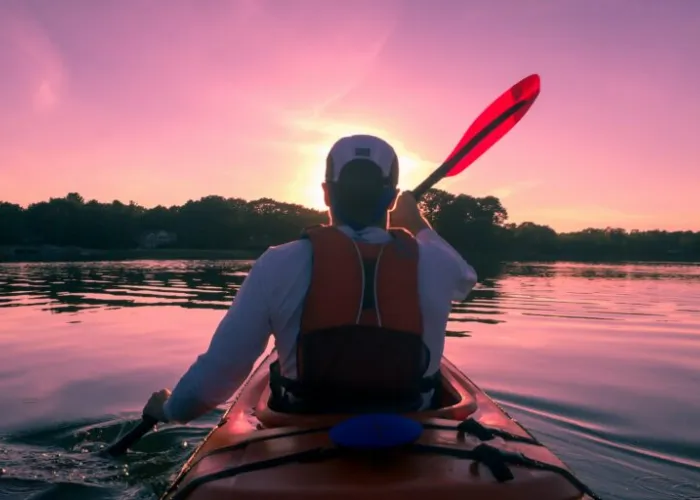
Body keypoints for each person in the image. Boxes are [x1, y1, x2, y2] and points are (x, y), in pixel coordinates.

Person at [143, 134, 478, 422]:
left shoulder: (277, 263)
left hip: (304, 424)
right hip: (414, 425)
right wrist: (417, 222)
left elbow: (218, 375)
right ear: (391, 198)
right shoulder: (437, 263)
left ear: (326, 193)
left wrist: (170, 410)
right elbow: (466, 278)